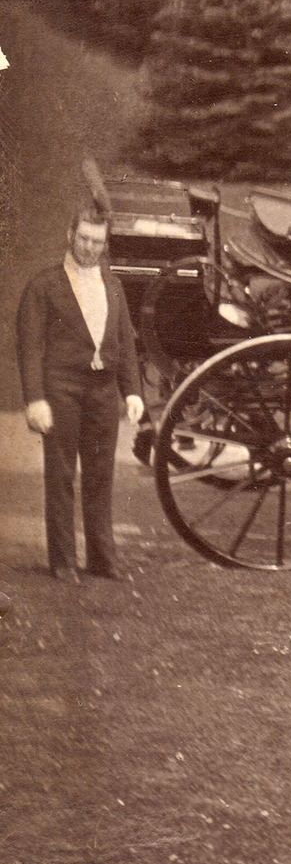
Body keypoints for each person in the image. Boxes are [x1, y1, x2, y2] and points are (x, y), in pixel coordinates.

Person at [16, 192, 145, 582]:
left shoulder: (114, 284)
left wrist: (133, 392)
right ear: (70, 234)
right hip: (62, 389)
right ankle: (63, 561)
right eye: (84, 238)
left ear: (105, 244)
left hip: (104, 392)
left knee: (100, 475)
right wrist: (35, 400)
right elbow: (29, 348)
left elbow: (124, 343)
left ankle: (103, 559)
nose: (89, 248)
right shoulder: (44, 285)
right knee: (60, 475)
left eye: (97, 241)